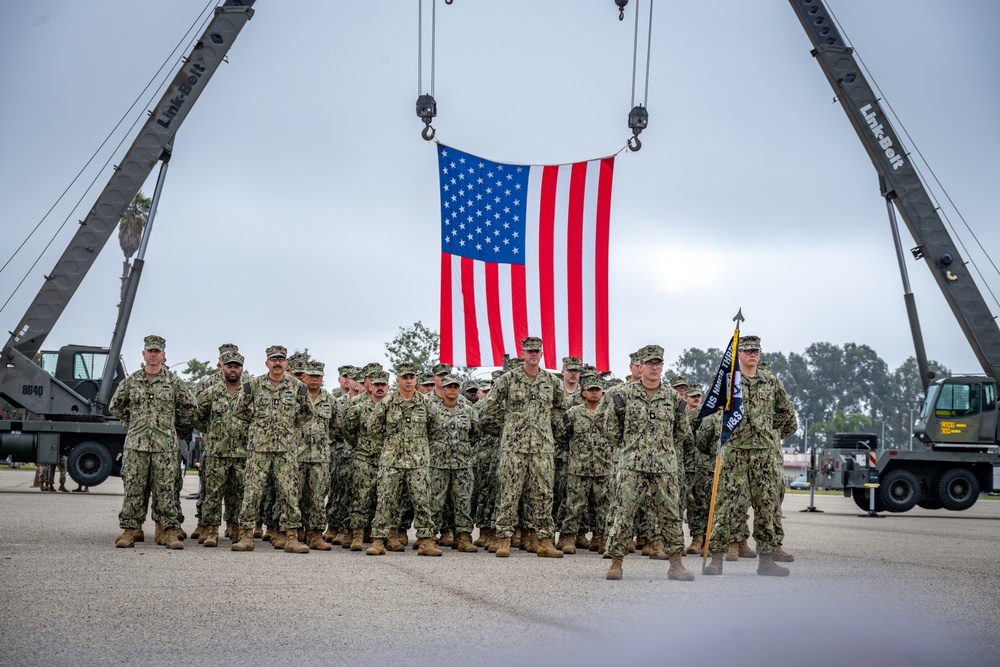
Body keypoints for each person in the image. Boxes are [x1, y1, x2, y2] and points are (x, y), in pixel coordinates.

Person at [704, 335, 798, 577]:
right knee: (725, 506)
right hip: (734, 450)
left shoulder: (771, 382)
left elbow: (786, 414)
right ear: (738, 355)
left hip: (763, 453)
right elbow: (712, 410)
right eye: (747, 351)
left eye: (756, 350)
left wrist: (765, 427)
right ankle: (716, 558)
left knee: (766, 506)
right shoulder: (727, 381)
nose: (752, 354)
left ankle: (766, 560)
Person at [602, 344, 694, 581]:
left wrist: (661, 450)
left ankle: (676, 564)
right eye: (650, 363)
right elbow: (611, 428)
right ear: (640, 366)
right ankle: (616, 563)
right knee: (623, 514)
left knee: (671, 514)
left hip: (664, 466)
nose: (654, 367)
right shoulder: (624, 395)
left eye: (658, 363)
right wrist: (631, 449)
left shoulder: (673, 398)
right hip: (632, 465)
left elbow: (681, 431)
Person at [477, 336, 566, 559]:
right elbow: (488, 409)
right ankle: (504, 539)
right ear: (523, 353)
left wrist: (547, 428)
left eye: (537, 351)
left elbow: (560, 409)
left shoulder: (552, 381)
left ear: (542, 354)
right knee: (509, 493)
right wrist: (507, 428)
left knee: (544, 494)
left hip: (542, 448)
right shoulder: (508, 380)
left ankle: (545, 540)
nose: (533, 354)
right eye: (530, 351)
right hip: (513, 448)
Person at [110, 335, 196, 550]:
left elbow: (190, 408)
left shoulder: (174, 382)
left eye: (157, 351)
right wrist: (133, 425)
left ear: (164, 355)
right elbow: (116, 406)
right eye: (150, 351)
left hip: (165, 447)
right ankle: (130, 531)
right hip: (136, 446)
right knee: (133, 488)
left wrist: (174, 430)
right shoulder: (132, 381)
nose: (154, 355)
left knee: (166, 490)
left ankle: (168, 531)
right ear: (144, 354)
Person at [231, 345, 314, 554]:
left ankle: (292, 537)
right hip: (259, 448)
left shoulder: (297, 386)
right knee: (252, 492)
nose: (277, 363)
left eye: (281, 360)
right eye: (273, 359)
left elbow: (308, 412)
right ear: (267, 363)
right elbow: (239, 410)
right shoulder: (254, 385)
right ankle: (246, 535)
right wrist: (258, 424)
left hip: (286, 449)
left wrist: (289, 425)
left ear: (286, 364)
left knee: (289, 494)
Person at [365, 362, 442, 557]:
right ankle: (378, 541)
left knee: (423, 501)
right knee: (385, 501)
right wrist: (389, 447)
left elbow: (436, 430)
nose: (408, 381)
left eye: (412, 377)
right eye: (404, 377)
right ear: (397, 380)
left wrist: (421, 448)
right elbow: (373, 429)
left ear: (416, 380)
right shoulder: (387, 403)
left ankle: (426, 541)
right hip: (391, 461)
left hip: (418, 462)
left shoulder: (426, 404)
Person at [193, 350, 249, 547]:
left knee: (240, 495)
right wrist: (211, 432)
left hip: (243, 453)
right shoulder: (211, 392)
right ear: (222, 367)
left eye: (236, 366)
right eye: (229, 366)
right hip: (217, 452)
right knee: (212, 494)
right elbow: (198, 416)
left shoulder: (250, 392)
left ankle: (238, 529)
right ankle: (211, 531)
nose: (233, 370)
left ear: (242, 369)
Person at [558, 372, 612, 554]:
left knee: (603, 505)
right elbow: (560, 435)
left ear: (603, 393)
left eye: (598, 390)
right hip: (578, 468)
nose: (595, 393)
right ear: (583, 393)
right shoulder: (573, 413)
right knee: (574, 505)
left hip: (603, 467)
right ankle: (568, 538)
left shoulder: (608, 414)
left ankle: (602, 538)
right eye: (591, 390)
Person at [429, 373, 480, 552]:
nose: (452, 390)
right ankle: (430, 537)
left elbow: (475, 433)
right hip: (438, 464)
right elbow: (427, 433)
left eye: (455, 387)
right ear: (442, 389)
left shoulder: (468, 410)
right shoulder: (433, 410)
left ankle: (464, 537)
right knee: (435, 501)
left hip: (462, 464)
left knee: (463, 502)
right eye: (449, 387)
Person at [342, 368, 391, 550]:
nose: (379, 388)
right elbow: (348, 431)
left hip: (386, 459)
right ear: (370, 387)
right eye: (376, 384)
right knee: (361, 496)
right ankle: (358, 534)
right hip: (363, 457)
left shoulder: (392, 407)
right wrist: (360, 447)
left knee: (386, 497)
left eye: (382, 385)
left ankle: (385, 534)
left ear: (388, 387)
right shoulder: (358, 408)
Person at [298, 360, 339, 551]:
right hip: (296, 455)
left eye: (318, 376)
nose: (314, 379)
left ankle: (315, 534)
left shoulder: (330, 400)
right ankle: (291, 532)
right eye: (310, 375)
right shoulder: (295, 397)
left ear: (322, 378)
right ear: (303, 377)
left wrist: (324, 442)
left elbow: (337, 426)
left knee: (317, 497)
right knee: (293, 496)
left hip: (320, 458)